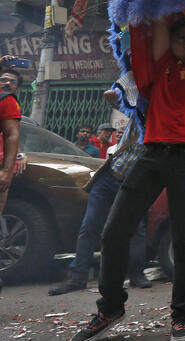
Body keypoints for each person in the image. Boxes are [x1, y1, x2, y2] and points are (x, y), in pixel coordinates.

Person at [68, 0, 185, 341]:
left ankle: (182, 315)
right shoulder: (158, 67)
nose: (184, 40)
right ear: (171, 40)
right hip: (152, 152)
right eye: (178, 37)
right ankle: (110, 307)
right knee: (114, 230)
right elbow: (148, 24)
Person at [49, 116, 151, 296]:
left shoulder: (164, 135)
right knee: (90, 225)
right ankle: (78, 276)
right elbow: (114, 95)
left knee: (137, 228)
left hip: (133, 184)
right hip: (109, 178)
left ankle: (136, 273)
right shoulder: (138, 114)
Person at [0, 61, 26, 296]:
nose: (6, 83)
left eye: (11, 81)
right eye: (3, 78)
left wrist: (8, 169)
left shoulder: (6, 101)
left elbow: (12, 135)